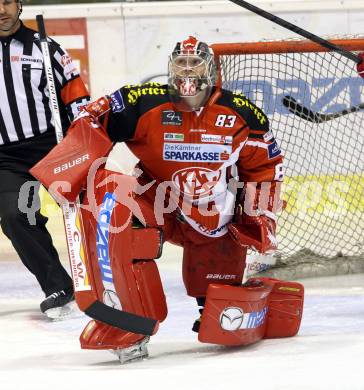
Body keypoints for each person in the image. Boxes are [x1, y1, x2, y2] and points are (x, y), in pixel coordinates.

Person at [32, 36, 303, 362]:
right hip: (158, 204)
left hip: (213, 217)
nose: (187, 70)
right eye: (181, 63)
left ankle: (212, 301)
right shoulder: (144, 102)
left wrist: (260, 218)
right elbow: (94, 117)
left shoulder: (241, 114)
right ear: (170, 68)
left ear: (211, 69)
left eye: (195, 63)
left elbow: (265, 169)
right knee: (108, 192)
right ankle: (130, 316)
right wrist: (76, 144)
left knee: (219, 313)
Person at [0, 0, 90, 318]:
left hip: (52, 146)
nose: (2, 9)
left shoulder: (45, 47)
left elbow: (77, 95)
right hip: (6, 157)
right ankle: (59, 285)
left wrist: (80, 144)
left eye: (7, 1)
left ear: (20, 5)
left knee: (92, 206)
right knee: (15, 215)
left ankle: (106, 277)